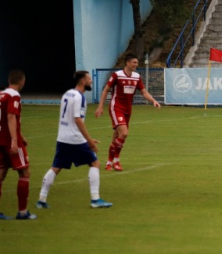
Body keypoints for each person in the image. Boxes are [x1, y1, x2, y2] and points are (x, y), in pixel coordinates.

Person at [37, 71, 112, 209]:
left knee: (56, 167)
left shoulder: (67, 94)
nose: (91, 81)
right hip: (75, 139)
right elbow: (78, 120)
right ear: (82, 81)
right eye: (89, 79)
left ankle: (41, 199)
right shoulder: (80, 97)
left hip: (63, 137)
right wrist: (88, 140)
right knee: (95, 163)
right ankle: (95, 199)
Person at [94, 54, 161, 172]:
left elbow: (144, 92)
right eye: (134, 62)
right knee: (124, 133)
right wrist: (100, 106)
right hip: (116, 107)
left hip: (128, 109)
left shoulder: (137, 76)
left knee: (117, 136)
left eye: (137, 62)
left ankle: (109, 162)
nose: (136, 64)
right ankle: (116, 161)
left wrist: (153, 101)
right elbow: (106, 90)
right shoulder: (117, 75)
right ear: (127, 63)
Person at [0, 70, 35, 220]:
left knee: (0, 174)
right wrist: (15, 140)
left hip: (0, 139)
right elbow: (10, 116)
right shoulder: (14, 95)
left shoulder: (1, 94)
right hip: (9, 140)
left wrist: (20, 135)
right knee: (25, 173)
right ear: (22, 82)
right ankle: (22, 212)